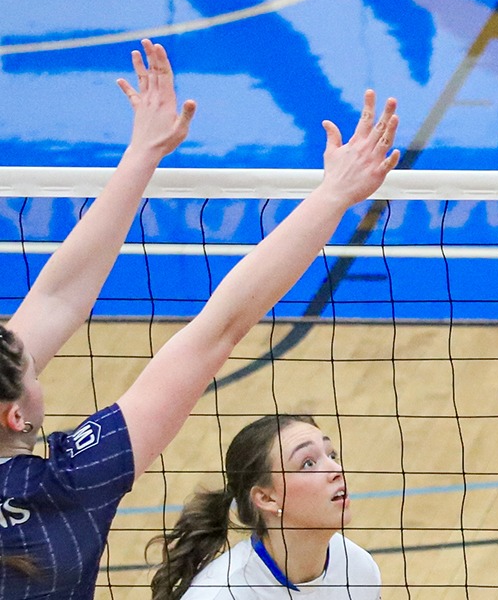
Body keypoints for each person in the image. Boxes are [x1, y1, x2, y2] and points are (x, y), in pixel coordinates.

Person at [0, 40, 400, 600]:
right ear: (17, 415)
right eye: (33, 368)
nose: (35, 353)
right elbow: (215, 328)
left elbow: (56, 302)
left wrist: (143, 153)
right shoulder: (70, 489)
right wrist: (333, 197)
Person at [148, 414, 378, 600]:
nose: (335, 470)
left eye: (331, 455)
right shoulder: (222, 594)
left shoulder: (356, 567)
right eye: (308, 463)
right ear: (267, 498)